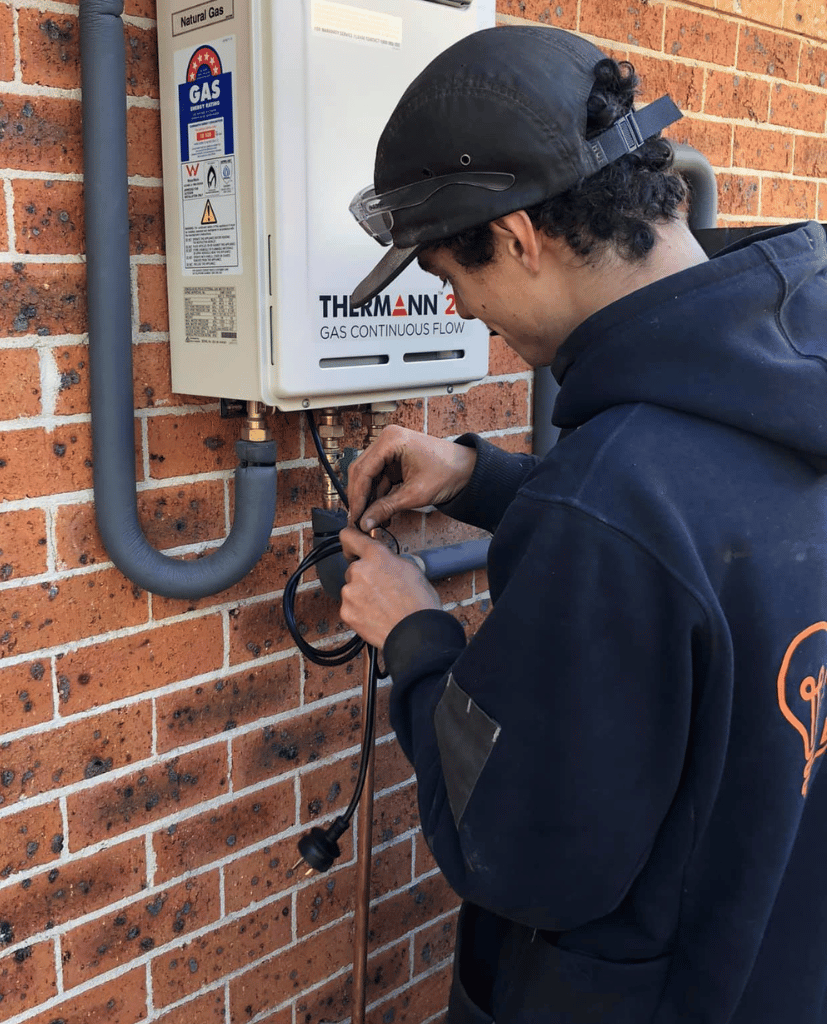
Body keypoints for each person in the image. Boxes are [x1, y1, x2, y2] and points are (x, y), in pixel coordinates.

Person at [337, 24, 827, 1024]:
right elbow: (720, 550)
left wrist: (416, 633)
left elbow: (517, 853)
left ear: (519, 238)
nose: (466, 312)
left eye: (448, 276)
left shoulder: (607, 498)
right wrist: (482, 478)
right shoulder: (788, 383)